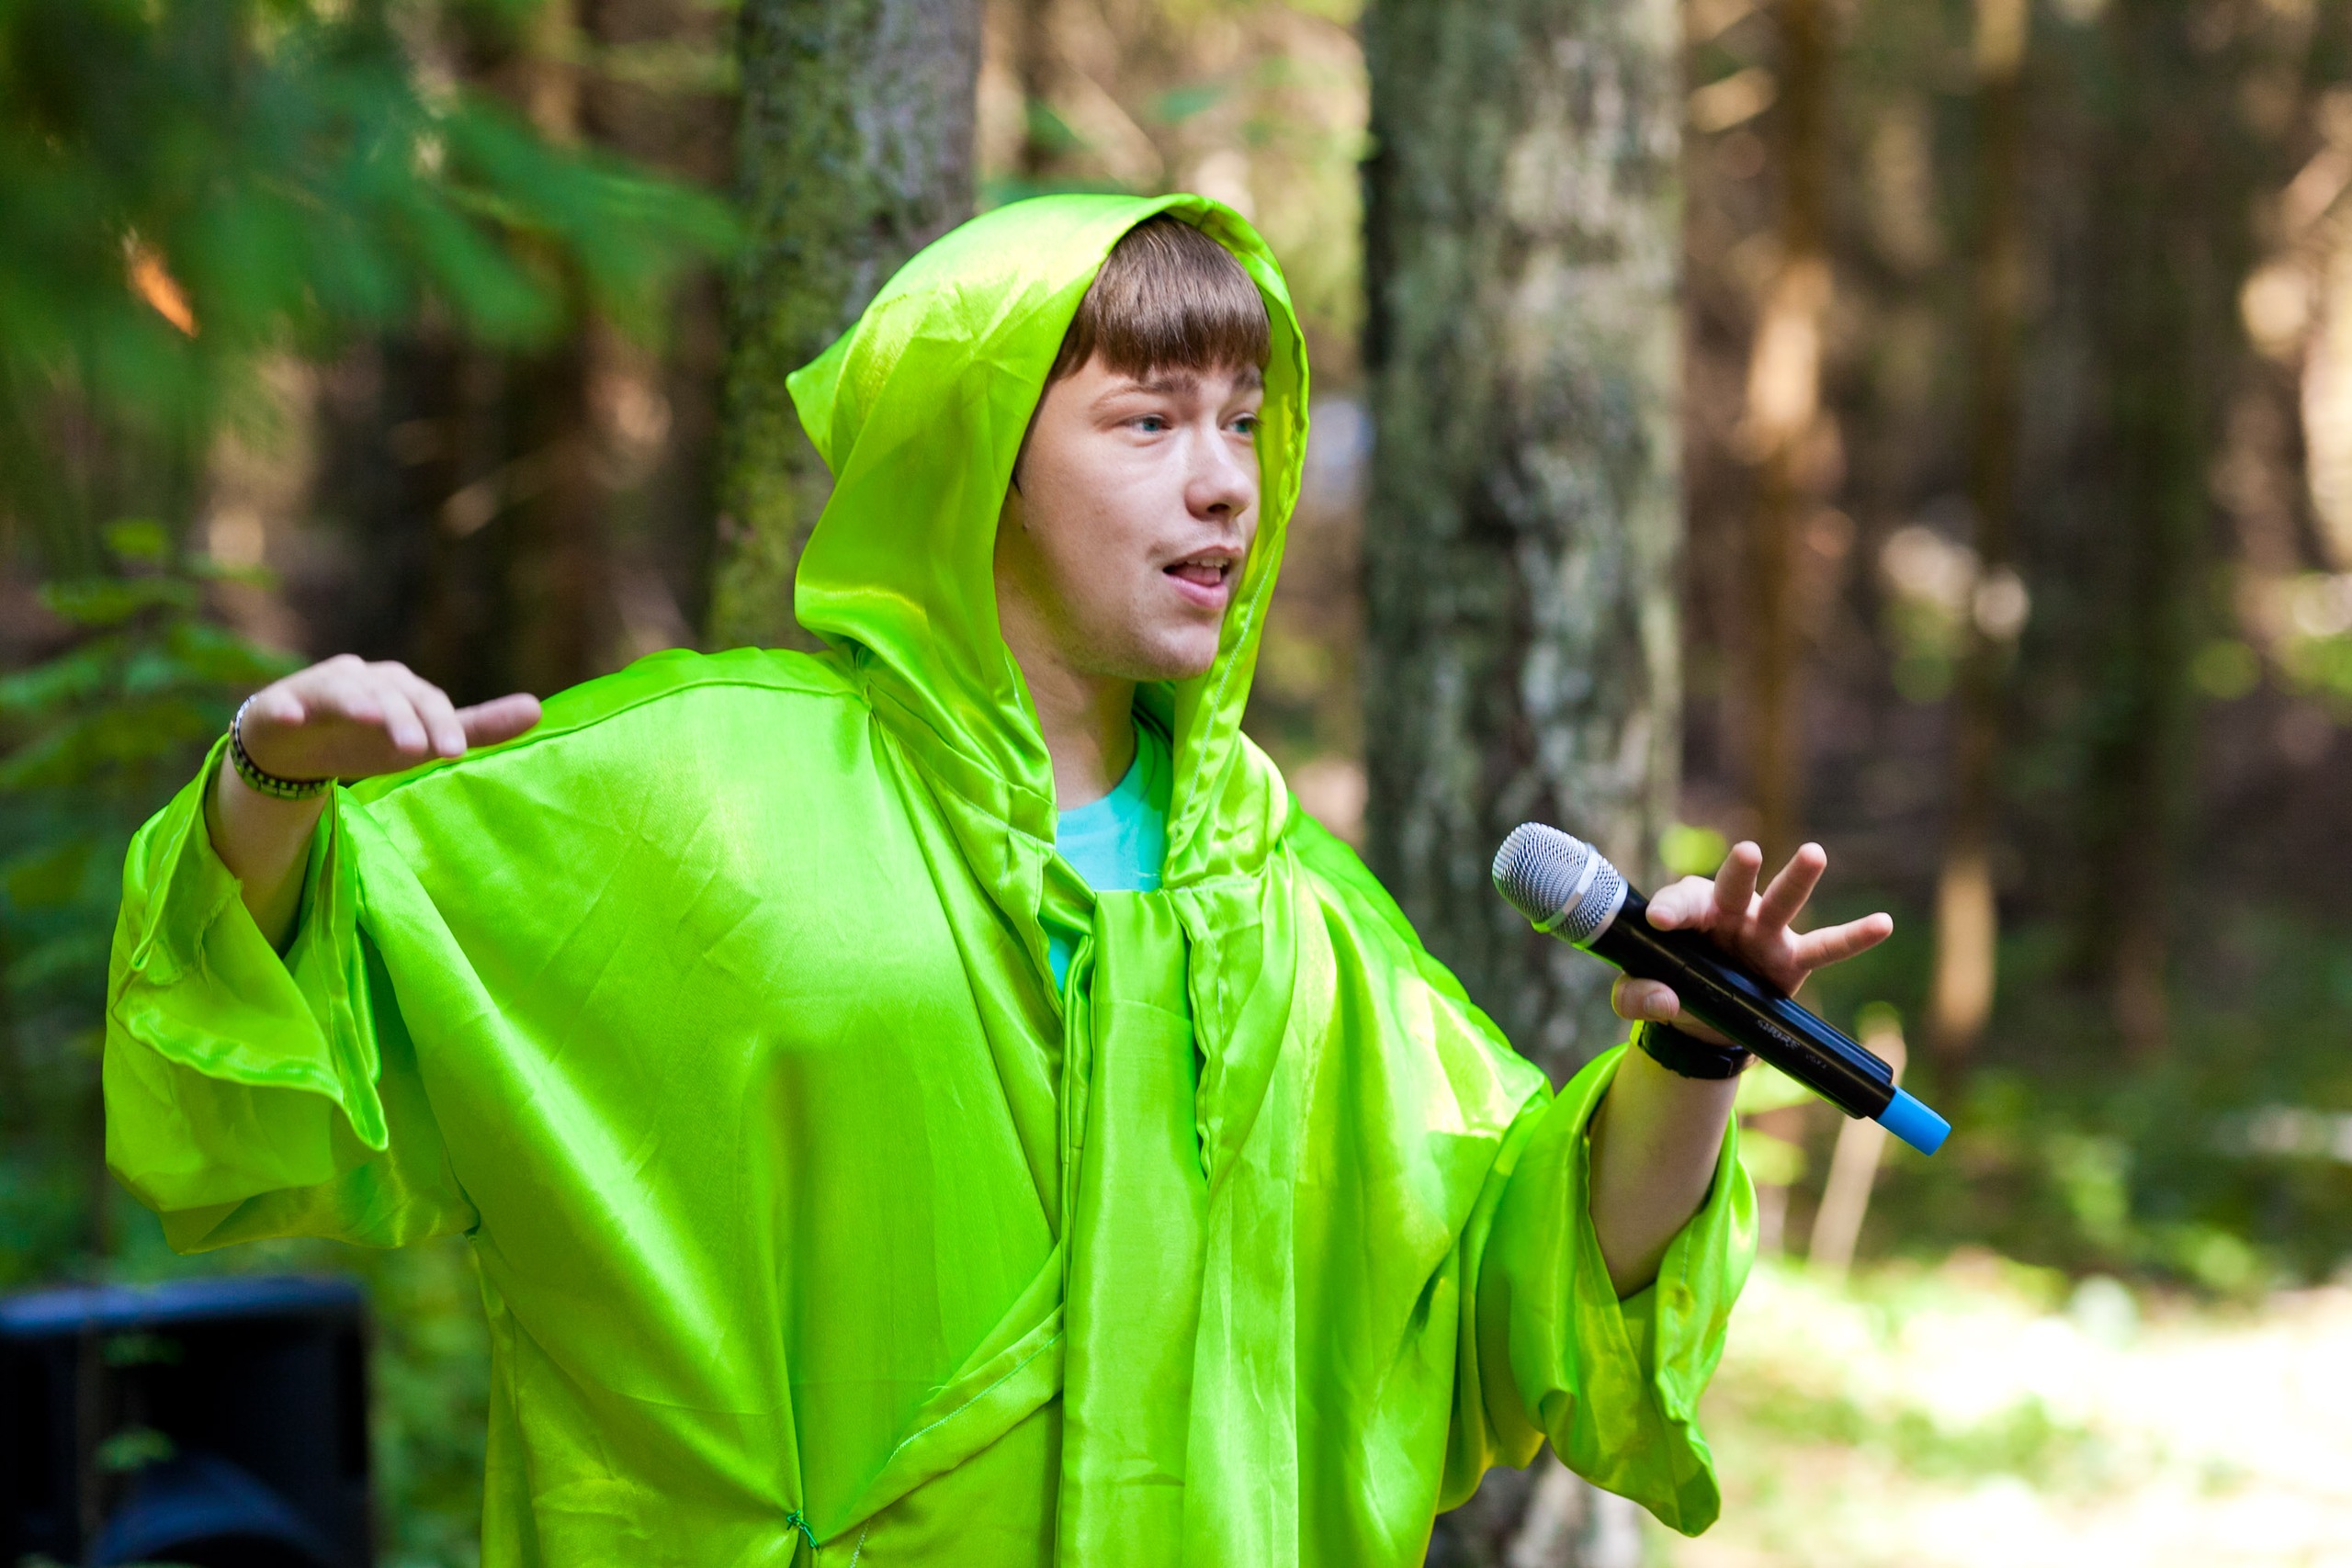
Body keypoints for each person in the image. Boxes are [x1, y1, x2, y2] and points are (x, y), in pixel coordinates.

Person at [106, 195, 1891, 1566]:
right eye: (1147, 422)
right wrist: (270, 785)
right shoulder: (694, 790)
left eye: (1242, 423)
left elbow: (1532, 1285)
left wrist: (1688, 1051)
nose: (1223, 486)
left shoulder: (1280, 906)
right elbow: (269, 1040)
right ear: (978, 456)